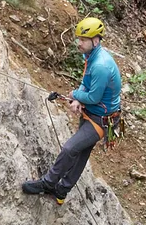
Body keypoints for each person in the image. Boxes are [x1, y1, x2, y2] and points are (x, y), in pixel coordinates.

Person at [21, 16, 122, 202]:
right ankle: (62, 191)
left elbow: (94, 97)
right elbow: (87, 83)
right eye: (79, 39)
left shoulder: (101, 65)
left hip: (102, 119)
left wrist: (76, 95)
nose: (79, 43)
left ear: (96, 40)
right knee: (81, 152)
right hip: (97, 112)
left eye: (83, 40)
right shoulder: (92, 56)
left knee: (69, 149)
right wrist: (78, 97)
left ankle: (48, 183)